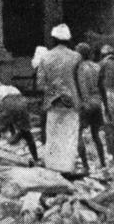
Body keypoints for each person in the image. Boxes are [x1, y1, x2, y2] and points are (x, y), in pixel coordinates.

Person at [36, 24, 83, 175]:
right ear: (68, 40)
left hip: (52, 102)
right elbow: (80, 81)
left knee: (53, 134)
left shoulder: (45, 57)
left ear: (53, 39)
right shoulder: (76, 57)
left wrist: (55, 91)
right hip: (72, 101)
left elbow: (40, 84)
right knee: (70, 134)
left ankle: (52, 167)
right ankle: (68, 168)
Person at [0, 82, 39, 165]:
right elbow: (14, 110)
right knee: (27, 134)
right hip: (22, 103)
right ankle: (36, 158)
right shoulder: (12, 87)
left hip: (7, 103)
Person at [75, 42, 107, 171]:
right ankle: (103, 163)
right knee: (96, 135)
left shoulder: (79, 68)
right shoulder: (97, 66)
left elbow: (80, 87)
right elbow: (102, 87)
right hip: (97, 102)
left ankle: (86, 166)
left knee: (78, 133)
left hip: (85, 102)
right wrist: (106, 105)